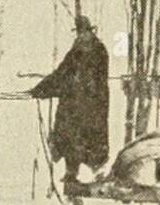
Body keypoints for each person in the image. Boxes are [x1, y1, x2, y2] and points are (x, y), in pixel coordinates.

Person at [30, 15, 109, 184]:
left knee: (93, 141)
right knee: (68, 138)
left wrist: (69, 89)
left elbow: (93, 81)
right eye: (79, 32)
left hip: (92, 107)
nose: (81, 35)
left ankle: (100, 175)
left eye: (84, 32)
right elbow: (61, 73)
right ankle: (70, 174)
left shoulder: (99, 51)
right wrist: (41, 89)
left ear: (90, 32)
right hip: (73, 107)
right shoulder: (75, 52)